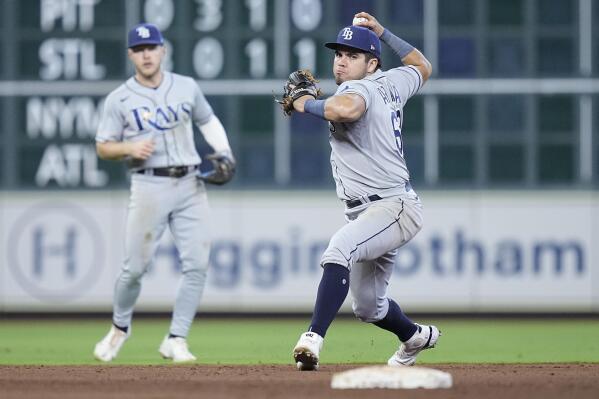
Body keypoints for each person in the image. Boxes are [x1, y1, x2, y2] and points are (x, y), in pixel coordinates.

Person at [286, 12, 440, 370]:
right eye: (339, 53)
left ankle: (311, 339)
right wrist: (382, 31)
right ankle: (415, 336)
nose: (342, 61)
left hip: (392, 206)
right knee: (368, 307)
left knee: (339, 249)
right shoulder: (392, 82)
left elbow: (346, 108)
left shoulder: (362, 88)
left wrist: (302, 102)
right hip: (373, 209)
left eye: (353, 55)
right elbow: (422, 65)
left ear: (371, 64)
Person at [93, 23, 235, 363]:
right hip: (148, 185)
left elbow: (207, 120)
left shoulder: (185, 86)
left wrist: (224, 152)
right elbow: (103, 147)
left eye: (151, 47)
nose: (146, 54)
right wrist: (129, 146)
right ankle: (119, 327)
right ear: (131, 55)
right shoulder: (119, 99)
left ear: (162, 50)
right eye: (139, 49)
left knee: (197, 264)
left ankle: (177, 338)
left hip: (190, 183)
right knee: (134, 269)